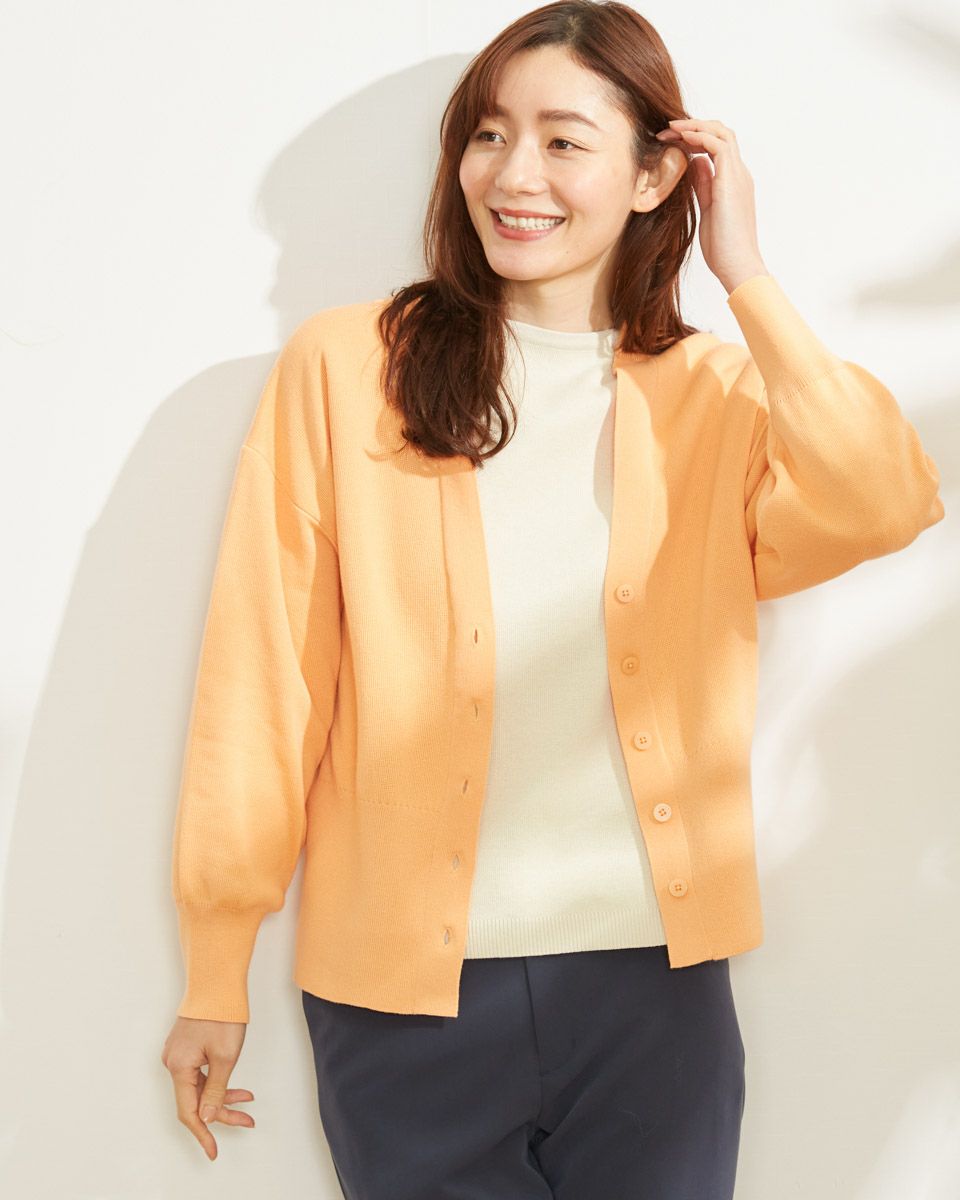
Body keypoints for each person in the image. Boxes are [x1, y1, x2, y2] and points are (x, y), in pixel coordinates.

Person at [160, 3, 945, 1197]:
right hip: (402, 1008)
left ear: (655, 176)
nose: (514, 174)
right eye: (489, 134)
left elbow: (885, 499)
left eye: (564, 141)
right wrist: (218, 968)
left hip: (652, 993)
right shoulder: (347, 369)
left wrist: (745, 273)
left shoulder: (716, 398)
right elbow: (264, 683)